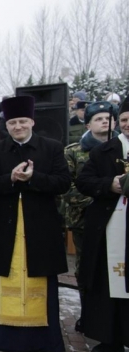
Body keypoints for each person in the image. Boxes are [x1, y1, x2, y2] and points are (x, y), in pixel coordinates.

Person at [0, 96, 70, 352]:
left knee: (39, 279)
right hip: (3, 227)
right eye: (13, 122)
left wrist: (32, 179)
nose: (18, 127)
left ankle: (42, 342)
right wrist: (10, 178)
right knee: (5, 280)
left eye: (22, 121)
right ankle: (2, 340)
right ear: (6, 126)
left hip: (40, 227)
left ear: (32, 122)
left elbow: (63, 182)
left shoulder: (51, 148)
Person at [75, 97, 129, 352]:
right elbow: (84, 181)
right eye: (126, 120)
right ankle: (111, 339)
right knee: (108, 282)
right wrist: (111, 184)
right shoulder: (103, 151)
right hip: (111, 225)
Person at [63, 101, 119, 330]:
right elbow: (68, 188)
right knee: (86, 269)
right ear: (88, 124)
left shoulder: (122, 150)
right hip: (84, 220)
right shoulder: (74, 151)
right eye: (98, 118)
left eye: (108, 117)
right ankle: (88, 316)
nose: (105, 121)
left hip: (118, 221)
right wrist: (100, 201)